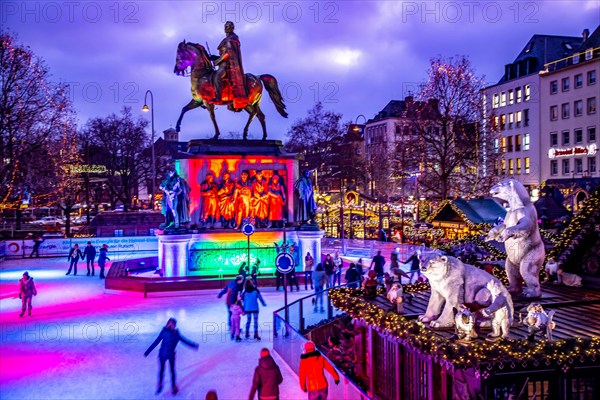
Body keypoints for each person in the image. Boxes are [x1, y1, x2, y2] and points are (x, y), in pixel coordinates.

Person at [144, 318, 199, 395]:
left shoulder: (171, 333)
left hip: (167, 355)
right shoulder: (170, 333)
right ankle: (166, 387)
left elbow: (184, 341)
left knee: (168, 371)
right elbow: (156, 342)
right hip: (166, 355)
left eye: (171, 324)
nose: (171, 325)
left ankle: (169, 387)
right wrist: (147, 352)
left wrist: (193, 345)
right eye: (170, 324)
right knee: (165, 371)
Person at [210, 21, 247, 105]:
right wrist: (214, 57)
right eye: (225, 26)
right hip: (222, 64)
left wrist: (217, 61)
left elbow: (228, 53)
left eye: (229, 26)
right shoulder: (226, 39)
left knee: (217, 76)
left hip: (228, 66)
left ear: (232, 28)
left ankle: (218, 98)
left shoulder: (232, 38)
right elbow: (223, 54)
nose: (226, 28)